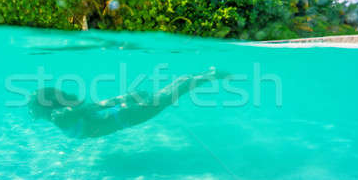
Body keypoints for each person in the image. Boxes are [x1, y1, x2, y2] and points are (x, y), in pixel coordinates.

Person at [29, 67, 228, 138]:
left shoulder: (59, 117)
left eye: (33, 107)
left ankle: (210, 76)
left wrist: (127, 98)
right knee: (165, 95)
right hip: (120, 113)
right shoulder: (63, 113)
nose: (31, 112)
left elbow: (84, 111)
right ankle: (203, 74)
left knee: (167, 98)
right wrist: (127, 97)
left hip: (124, 117)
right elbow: (91, 108)